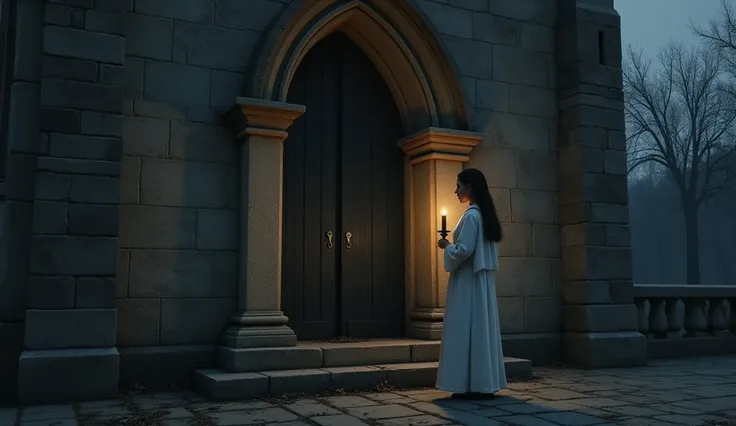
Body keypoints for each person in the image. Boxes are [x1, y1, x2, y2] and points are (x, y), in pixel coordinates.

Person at [435, 167, 506, 400]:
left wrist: (447, 248)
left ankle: (468, 383)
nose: (456, 191)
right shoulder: (483, 215)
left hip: (468, 281)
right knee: (479, 329)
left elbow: (464, 250)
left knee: (465, 328)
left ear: (470, 187)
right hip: (480, 282)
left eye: (459, 186)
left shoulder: (471, 216)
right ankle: (481, 383)